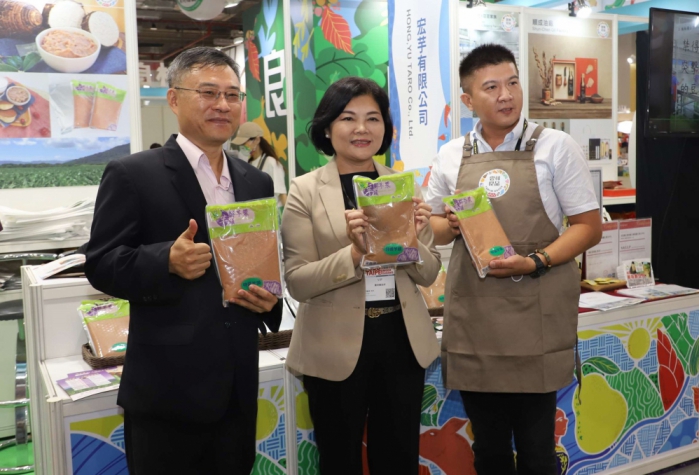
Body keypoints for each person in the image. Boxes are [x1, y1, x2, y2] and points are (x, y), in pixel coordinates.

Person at [84, 47, 282, 475]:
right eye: (208, 92)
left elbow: (262, 261)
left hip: (237, 388)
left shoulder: (256, 181)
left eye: (232, 94)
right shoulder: (133, 174)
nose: (223, 105)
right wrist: (165, 261)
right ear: (174, 99)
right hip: (167, 393)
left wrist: (269, 300)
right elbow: (100, 263)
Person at [426, 44, 602, 475]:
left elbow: (588, 227)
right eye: (491, 87)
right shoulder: (451, 155)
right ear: (468, 100)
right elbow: (434, 228)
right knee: (489, 450)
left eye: (512, 83)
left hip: (535, 318)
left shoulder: (556, 147)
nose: (506, 95)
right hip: (476, 322)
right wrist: (451, 222)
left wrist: (535, 261)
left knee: (537, 450)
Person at [281, 76, 441, 474]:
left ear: (385, 127)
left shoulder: (402, 186)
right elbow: (298, 280)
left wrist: (412, 240)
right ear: (327, 128)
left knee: (398, 458)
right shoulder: (304, 190)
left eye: (373, 118)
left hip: (401, 340)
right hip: (333, 346)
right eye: (348, 118)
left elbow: (429, 273)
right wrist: (355, 253)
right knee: (340, 459)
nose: (361, 128)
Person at [231, 121, 287, 206]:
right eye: (241, 144)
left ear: (257, 140)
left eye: (244, 142)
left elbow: (282, 195)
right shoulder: (248, 163)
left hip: (270, 211)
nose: (242, 146)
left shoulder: (270, 162)